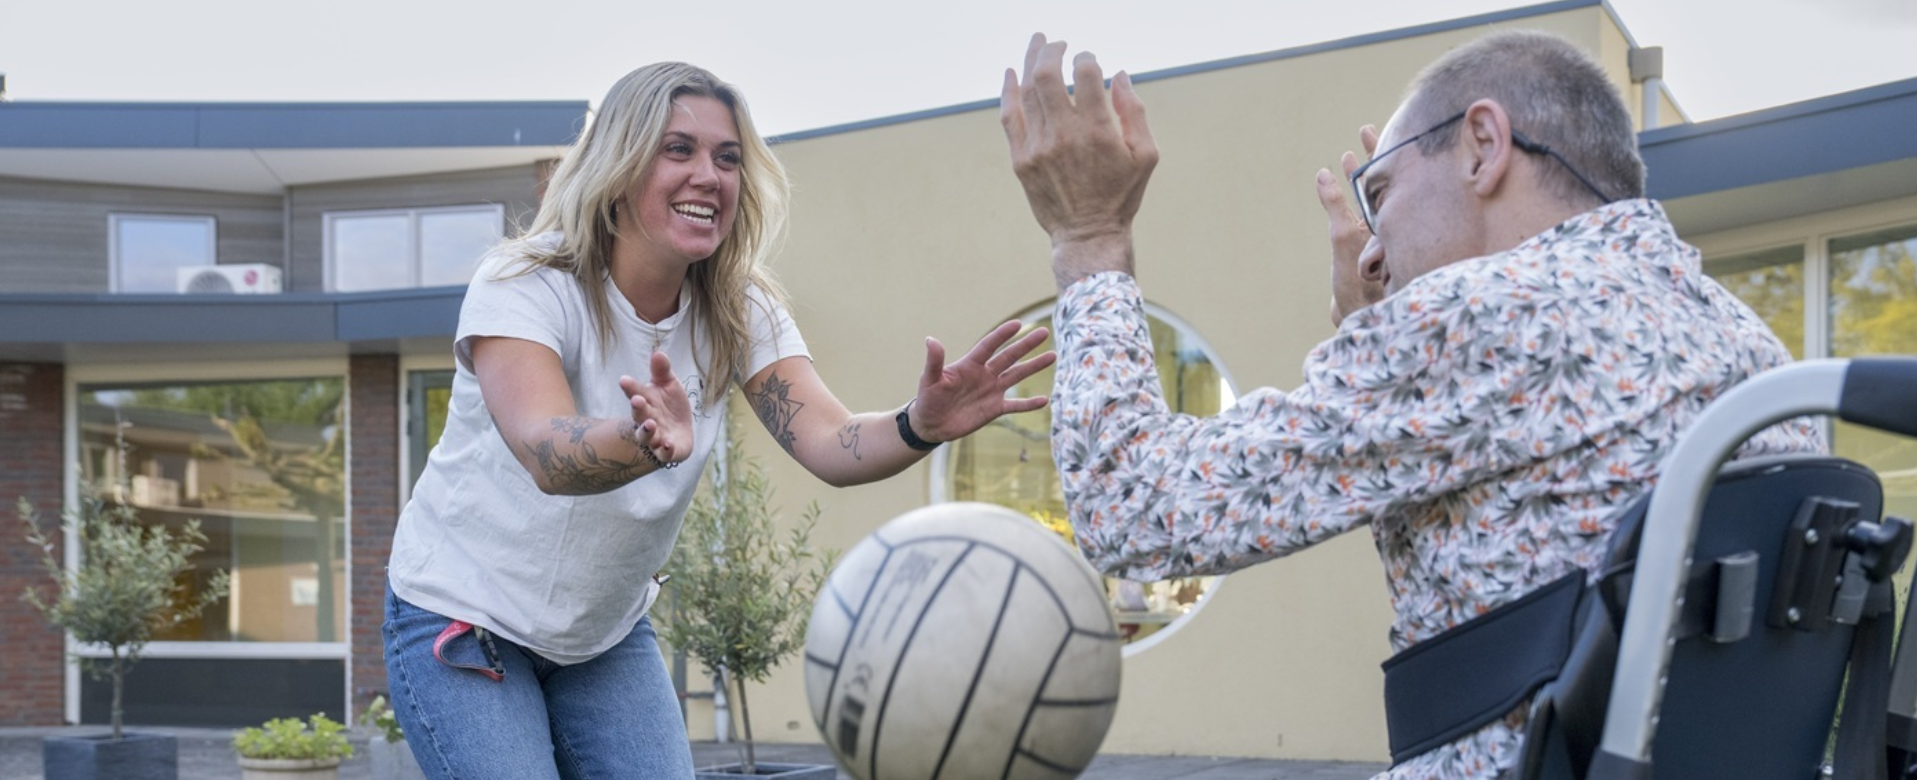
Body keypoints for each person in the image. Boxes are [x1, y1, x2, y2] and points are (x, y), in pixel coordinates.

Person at [1000, 29, 1823, 779]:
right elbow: (1499, 555)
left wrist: (1090, 239)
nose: (1373, 251)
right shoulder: (1753, 349)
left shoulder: (1487, 313)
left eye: (1382, 192)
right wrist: (1378, 335)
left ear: (1482, 147)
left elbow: (1132, 507)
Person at [383, 61, 1055, 780]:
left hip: (599, 638)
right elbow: (545, 450)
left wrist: (919, 422)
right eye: (679, 150)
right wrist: (640, 441)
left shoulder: (738, 309)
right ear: (618, 165)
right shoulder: (525, 283)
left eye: (727, 158)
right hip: (463, 615)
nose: (710, 175)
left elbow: (828, 442)